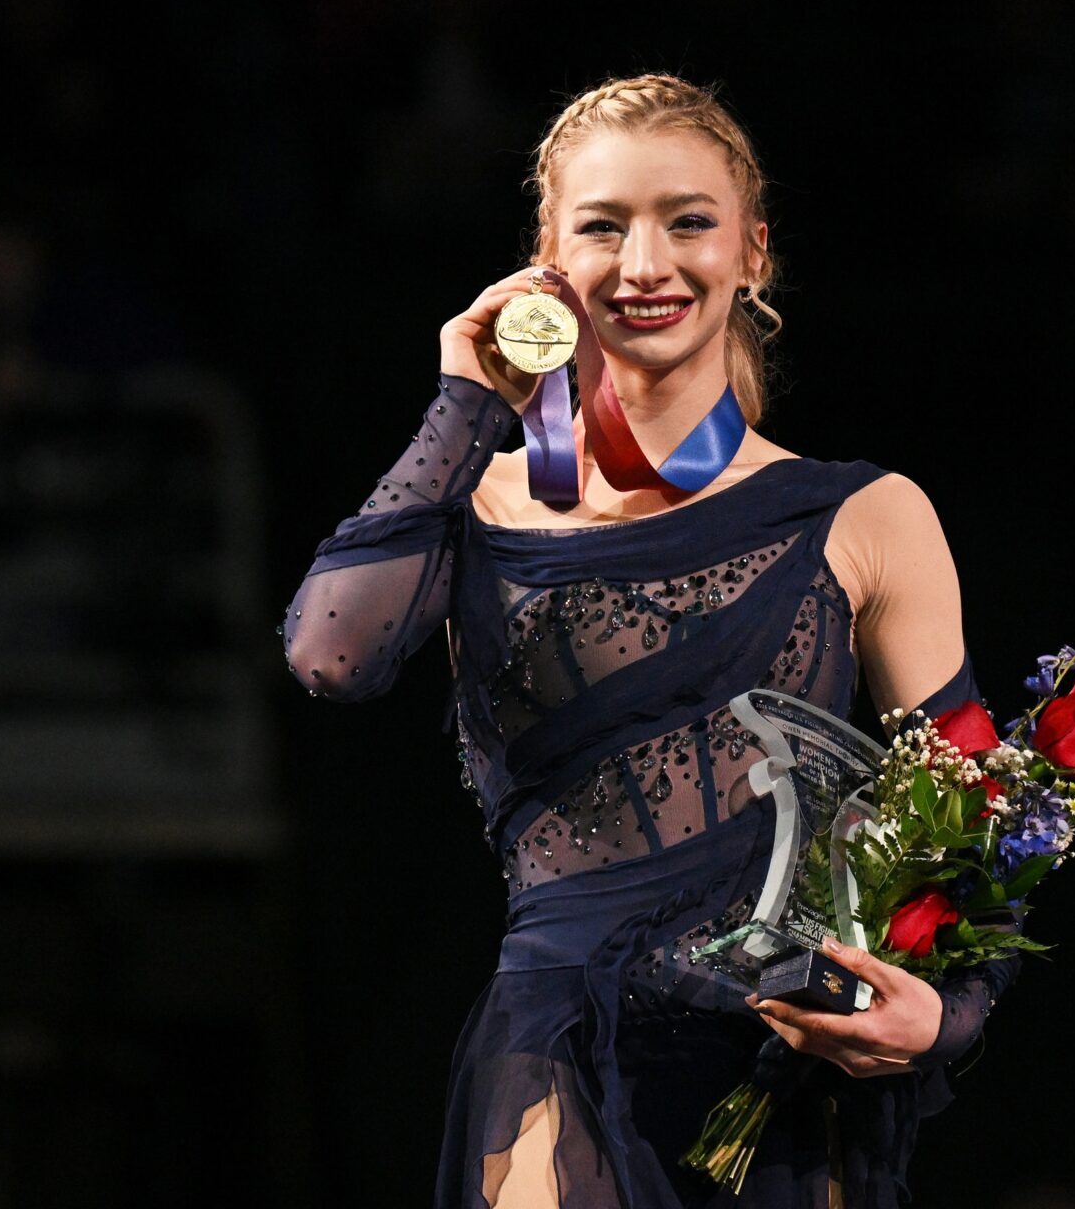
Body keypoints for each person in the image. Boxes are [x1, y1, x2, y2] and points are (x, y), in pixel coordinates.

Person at [281, 73, 1022, 1208]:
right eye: (602, 225)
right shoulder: (475, 505)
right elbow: (331, 655)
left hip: (786, 1065)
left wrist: (943, 1012)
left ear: (754, 250)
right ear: (546, 256)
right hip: (559, 1053)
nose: (644, 265)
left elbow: (971, 821)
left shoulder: (867, 515)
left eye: (687, 221)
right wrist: (466, 402)